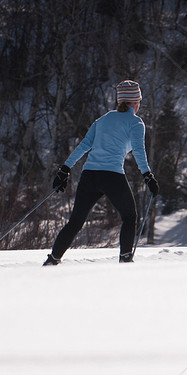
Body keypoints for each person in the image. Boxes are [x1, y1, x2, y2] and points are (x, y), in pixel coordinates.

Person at [44, 80, 159, 265]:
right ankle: (125, 260)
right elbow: (139, 150)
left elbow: (84, 146)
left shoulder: (103, 119)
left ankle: (52, 260)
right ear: (135, 102)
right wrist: (147, 175)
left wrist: (64, 169)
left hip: (89, 175)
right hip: (112, 176)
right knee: (129, 217)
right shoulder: (136, 122)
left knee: (75, 223)